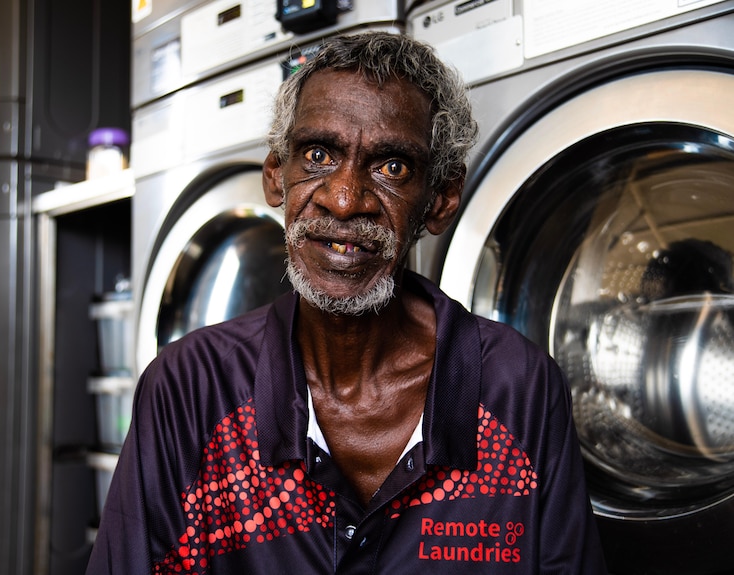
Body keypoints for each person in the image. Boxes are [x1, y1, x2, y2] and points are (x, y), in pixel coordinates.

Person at [86, 31, 607, 574]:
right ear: (275, 176)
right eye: (317, 154)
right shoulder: (190, 387)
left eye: (392, 168)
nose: (343, 198)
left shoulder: (519, 389)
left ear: (440, 201)